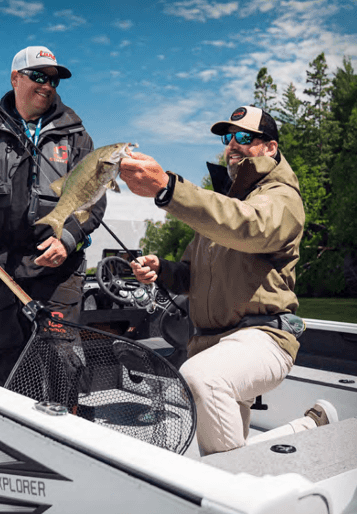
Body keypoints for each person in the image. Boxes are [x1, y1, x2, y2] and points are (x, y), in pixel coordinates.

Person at [119, 105, 338, 455]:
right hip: (211, 344)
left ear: (271, 147)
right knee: (231, 454)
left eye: (244, 137)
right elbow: (192, 275)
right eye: (228, 137)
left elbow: (249, 227)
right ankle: (307, 426)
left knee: (201, 378)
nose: (232, 145)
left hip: (262, 338)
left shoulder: (282, 198)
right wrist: (163, 269)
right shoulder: (223, 204)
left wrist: (168, 189)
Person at [0, 45, 103, 383]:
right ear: (15, 78)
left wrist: (68, 238)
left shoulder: (78, 136)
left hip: (60, 271)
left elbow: (93, 201)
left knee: (61, 363)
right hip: (3, 268)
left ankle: (63, 429)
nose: (47, 85)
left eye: (54, 80)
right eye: (38, 76)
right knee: (7, 362)